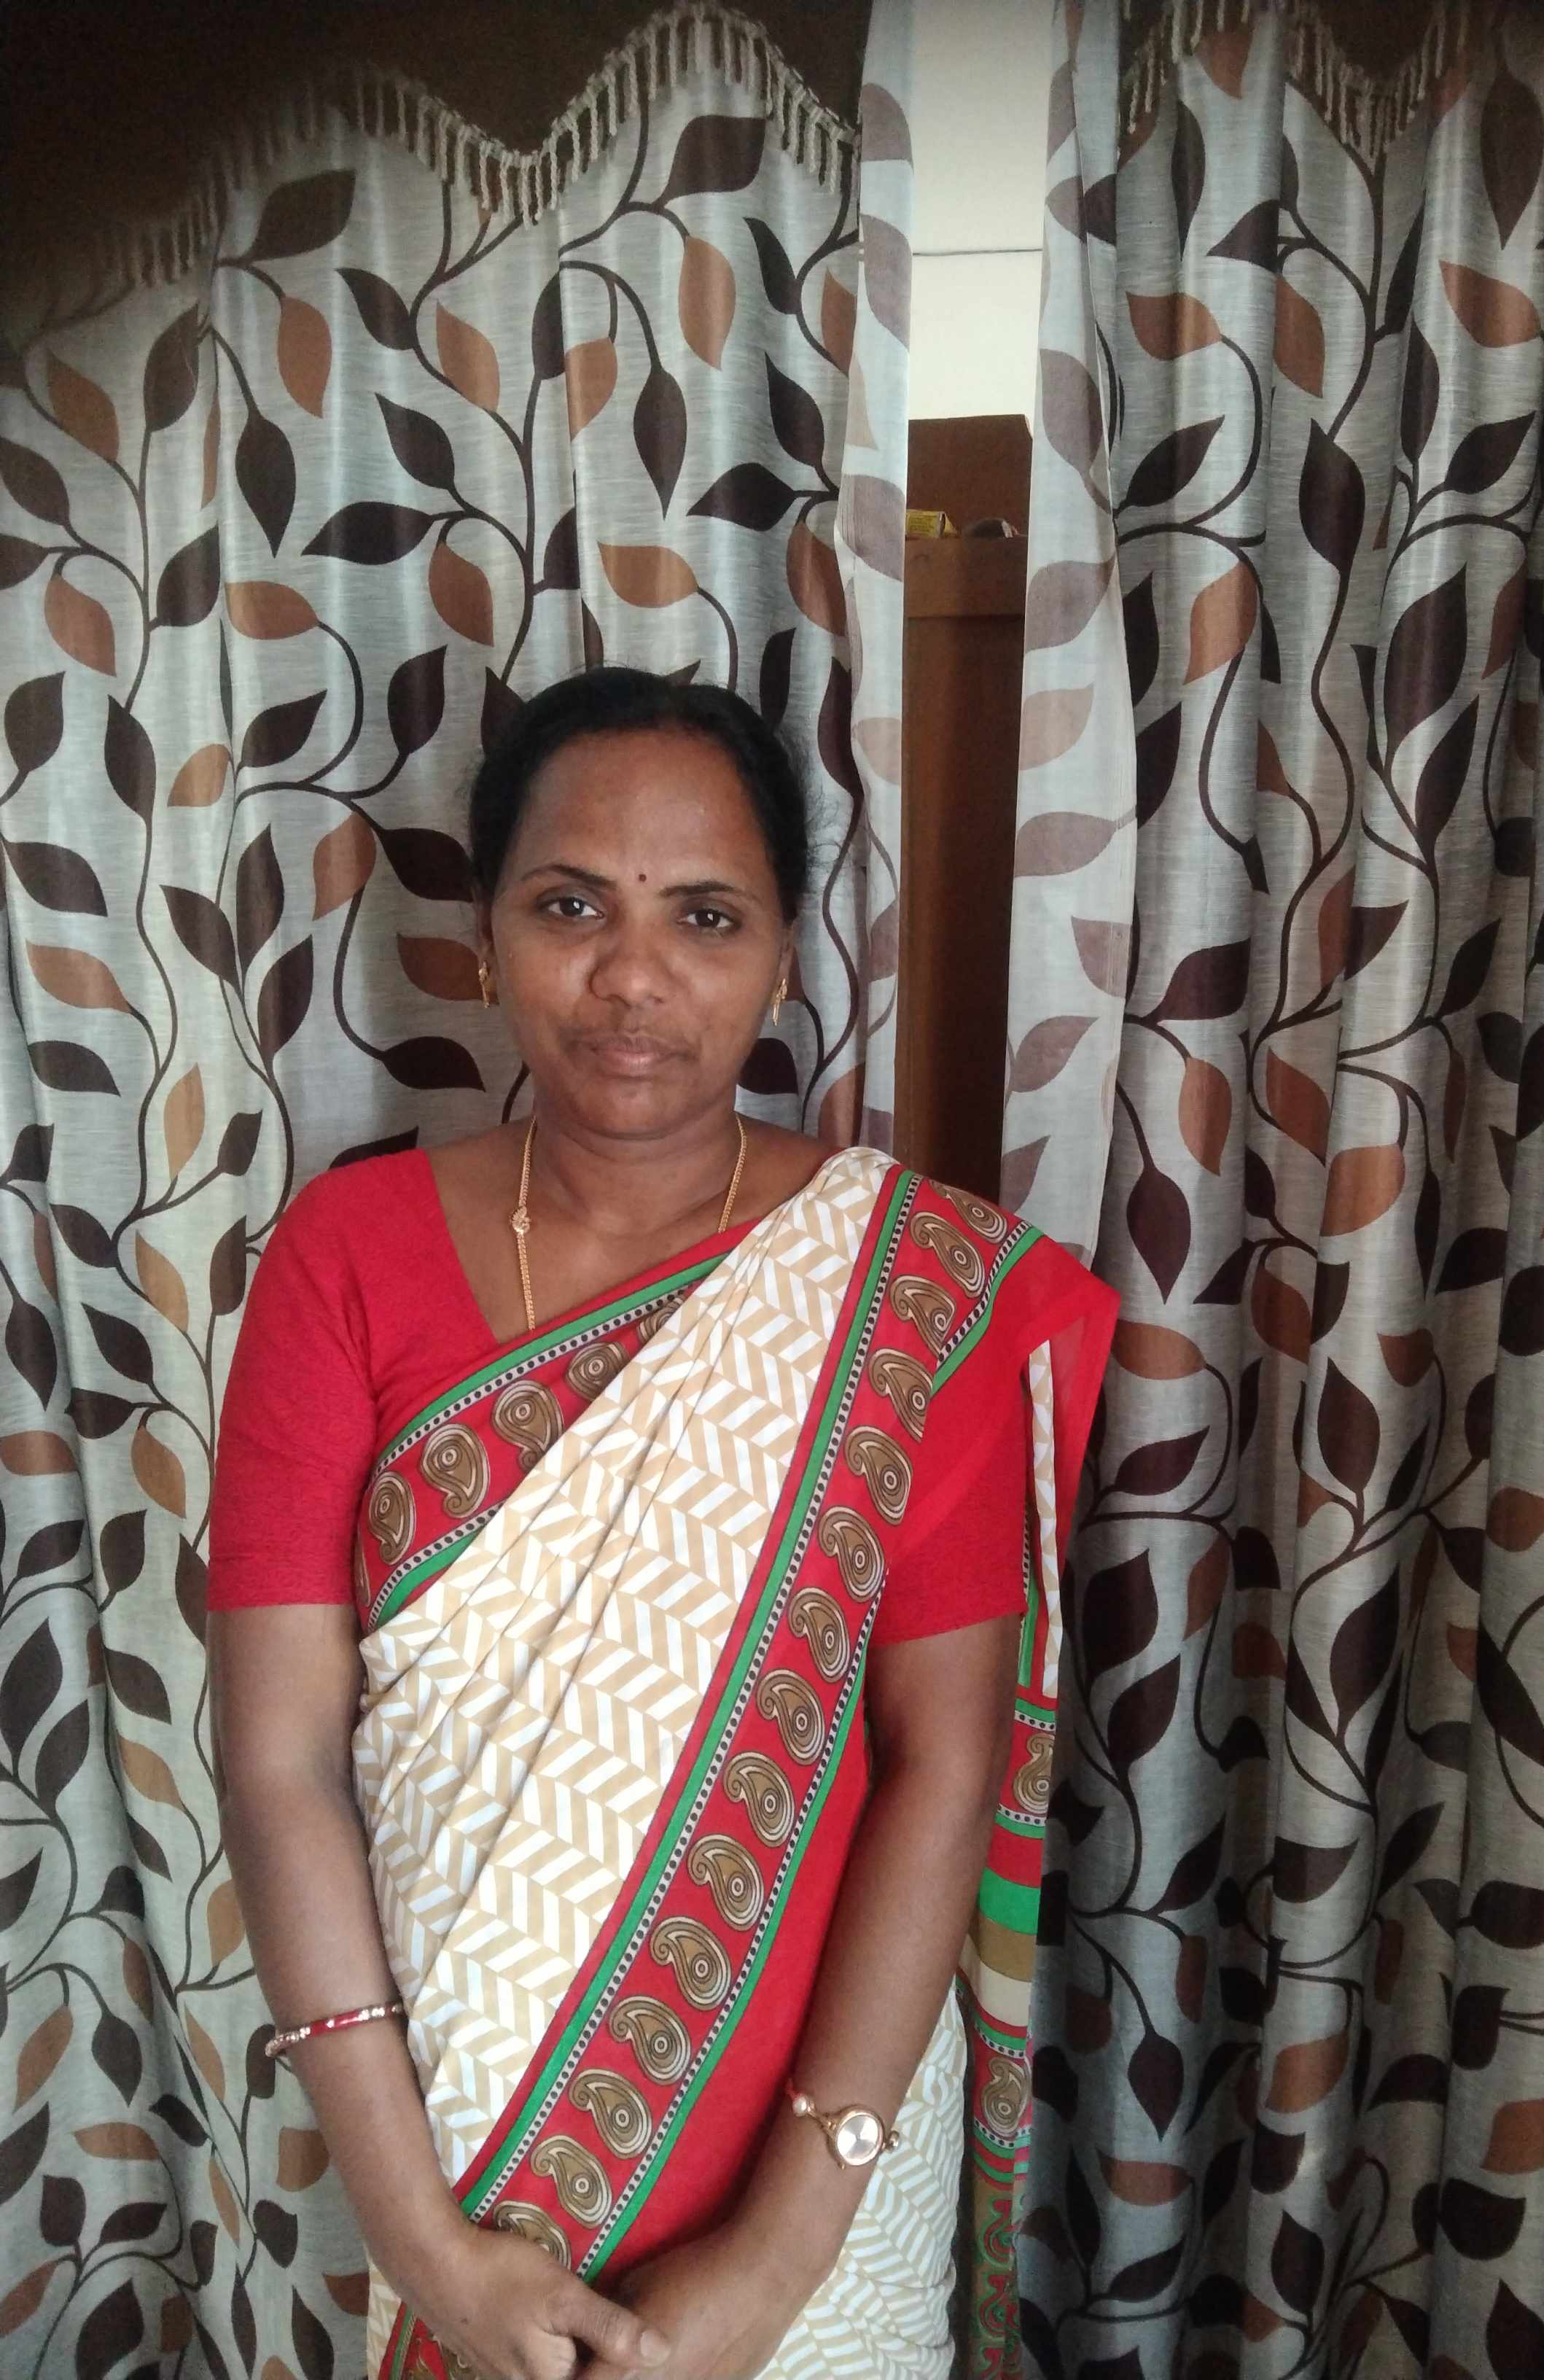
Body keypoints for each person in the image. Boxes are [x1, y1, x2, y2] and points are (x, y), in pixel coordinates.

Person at [208, 668, 1115, 2380]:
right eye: (571, 907)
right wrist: (425, 2243)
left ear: (782, 959)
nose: (633, 978)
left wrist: (776, 2257)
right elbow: (278, 1760)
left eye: (705, 916)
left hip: (815, 2170)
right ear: (487, 939)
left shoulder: (911, 1292)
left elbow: (946, 1759)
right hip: (440, 2148)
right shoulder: (347, 1255)